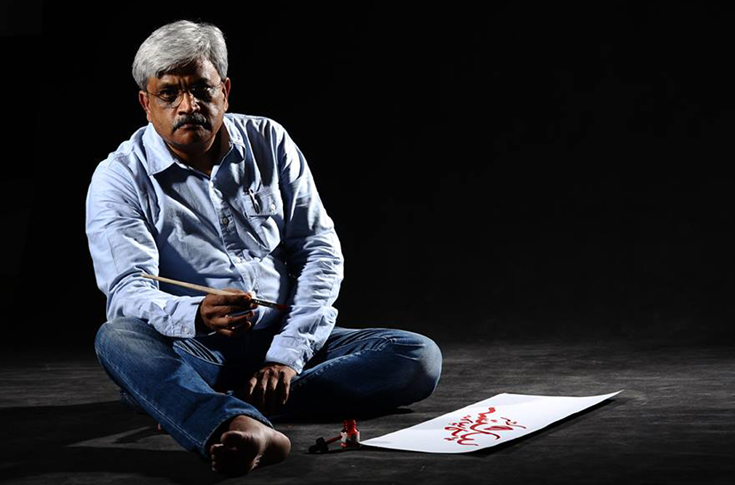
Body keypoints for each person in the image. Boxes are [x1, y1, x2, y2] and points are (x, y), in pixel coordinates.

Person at [85, 20, 442, 476]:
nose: (188, 106)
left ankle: (199, 405)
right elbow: (127, 290)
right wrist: (197, 314)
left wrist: (286, 356)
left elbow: (318, 250)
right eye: (169, 93)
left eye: (202, 89)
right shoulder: (118, 177)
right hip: (196, 350)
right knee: (117, 338)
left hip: (285, 335)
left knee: (416, 357)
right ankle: (228, 416)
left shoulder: (269, 141)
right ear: (145, 104)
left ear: (225, 91)